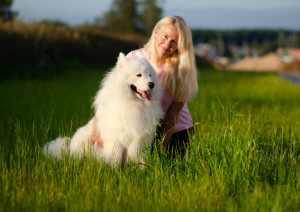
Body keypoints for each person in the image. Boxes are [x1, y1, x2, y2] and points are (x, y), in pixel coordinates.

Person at [94, 16, 198, 158]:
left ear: (180, 45)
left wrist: (160, 146)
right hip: (141, 126)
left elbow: (174, 113)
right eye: (165, 36)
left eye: (174, 41)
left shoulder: (182, 69)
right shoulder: (134, 57)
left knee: (164, 171)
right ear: (156, 33)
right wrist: (97, 128)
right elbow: (110, 95)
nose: (167, 44)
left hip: (174, 130)